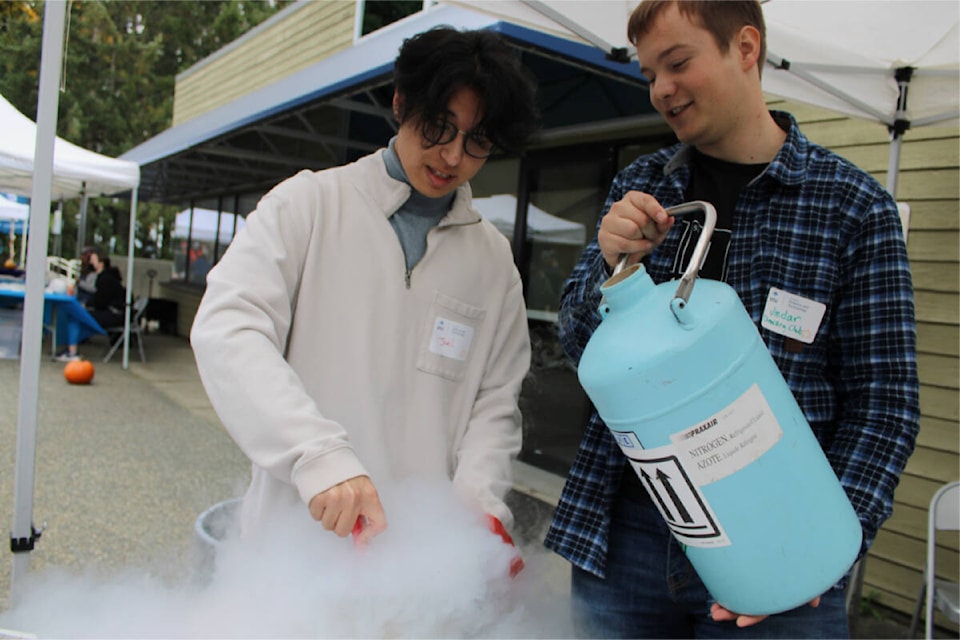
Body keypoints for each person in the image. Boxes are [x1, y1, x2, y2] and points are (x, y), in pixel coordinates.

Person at [543, 1, 920, 637]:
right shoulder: (642, 187)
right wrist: (610, 268)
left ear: (745, 48)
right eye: (650, 75)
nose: (662, 89)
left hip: (778, 540)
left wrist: (821, 547)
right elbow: (581, 352)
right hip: (629, 534)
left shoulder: (852, 207)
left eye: (678, 62)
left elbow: (886, 406)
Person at [190, 27, 539, 550]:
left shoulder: (492, 261)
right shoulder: (309, 205)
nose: (451, 157)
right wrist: (317, 457)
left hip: (417, 561)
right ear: (400, 104)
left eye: (477, 142)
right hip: (295, 545)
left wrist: (478, 509)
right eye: (438, 127)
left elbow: (495, 401)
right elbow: (228, 329)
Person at [57, 247, 126, 361]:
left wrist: (86, 305)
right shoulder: (107, 276)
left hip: (113, 315)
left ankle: (72, 351)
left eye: (93, 259)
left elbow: (101, 302)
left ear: (101, 262)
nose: (90, 262)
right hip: (113, 313)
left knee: (75, 317)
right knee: (78, 315)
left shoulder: (105, 279)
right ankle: (71, 348)